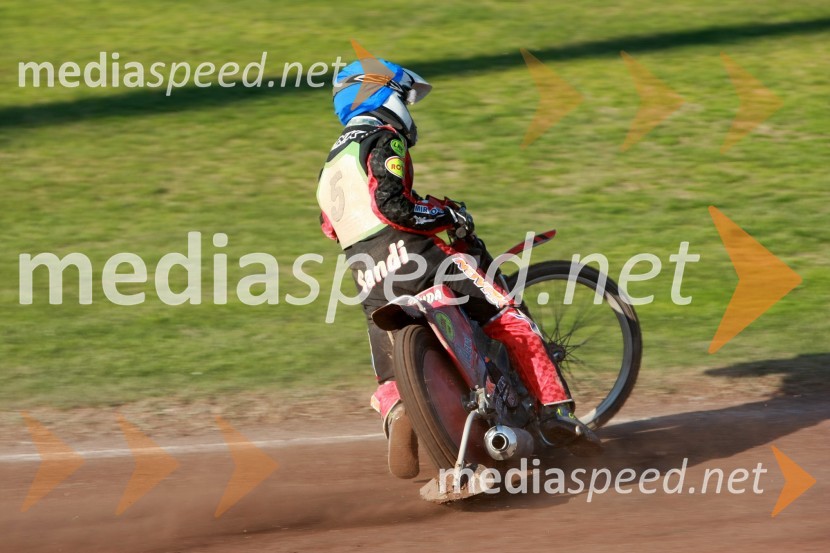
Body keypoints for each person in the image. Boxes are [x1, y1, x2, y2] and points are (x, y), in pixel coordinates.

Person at [316, 58, 602, 479]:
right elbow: (395, 206)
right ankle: (555, 414)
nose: (407, 107)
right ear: (381, 94)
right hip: (416, 257)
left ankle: (399, 413)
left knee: (392, 365)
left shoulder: (329, 165)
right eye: (403, 96)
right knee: (508, 315)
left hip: (366, 274)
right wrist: (448, 213)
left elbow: (330, 228)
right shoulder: (383, 138)